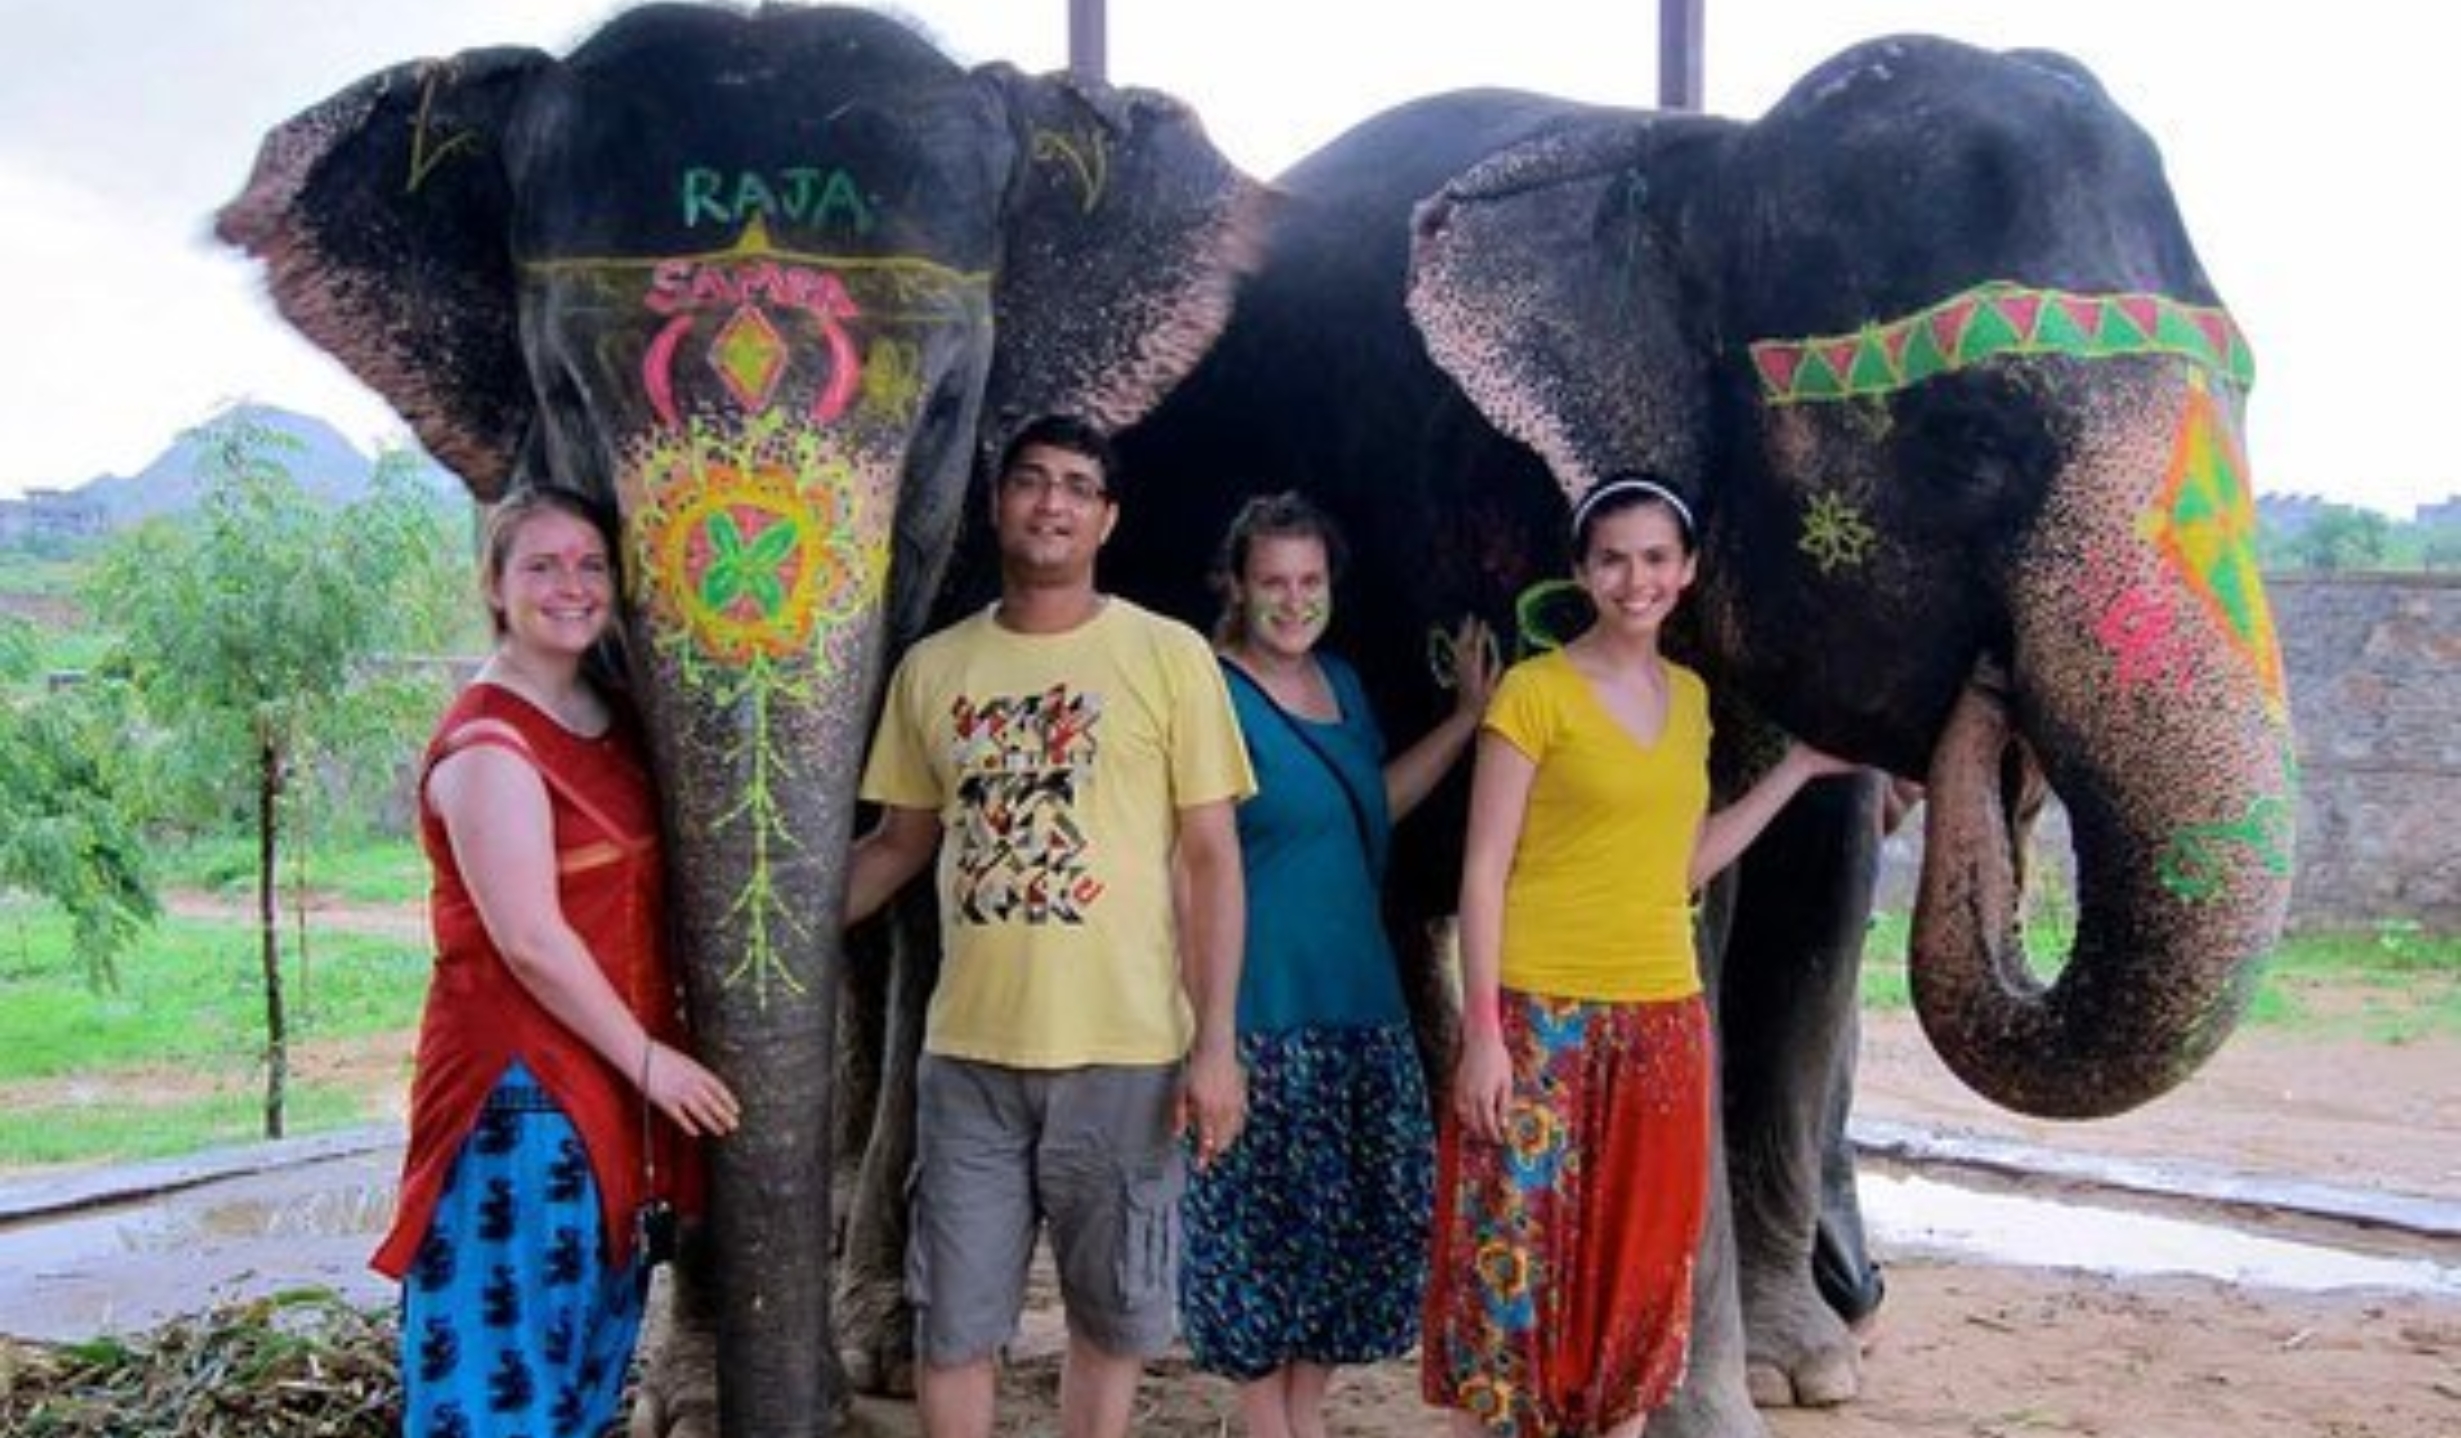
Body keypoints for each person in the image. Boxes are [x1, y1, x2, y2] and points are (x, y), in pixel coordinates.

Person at [844, 414, 1255, 1438]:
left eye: (1076, 486)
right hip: (968, 1060)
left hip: (1127, 1055)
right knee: (953, 1325)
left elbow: (1211, 859)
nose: (1051, 503)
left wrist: (1215, 1045)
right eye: (1031, 481)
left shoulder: (1168, 658)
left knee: (1111, 1323)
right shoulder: (935, 670)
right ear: (998, 504)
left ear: (1106, 518)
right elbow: (898, 843)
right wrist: (759, 938)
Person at [1422, 476, 1853, 1437]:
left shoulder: (1692, 701)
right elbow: (1482, 870)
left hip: (1662, 1017)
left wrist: (1793, 771)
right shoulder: (1534, 694)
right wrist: (1482, 1032)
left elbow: (1685, 863)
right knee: (1517, 1274)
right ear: (1582, 570)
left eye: (1656, 558)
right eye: (1613, 558)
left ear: (1686, 571)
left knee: (1636, 1268)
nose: (1635, 579)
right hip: (1541, 1018)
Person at [376, 486, 741, 1438]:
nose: (570, 586)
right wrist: (652, 1061)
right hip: (521, 1103)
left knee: (583, 1372)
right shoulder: (489, 741)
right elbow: (531, 940)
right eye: (541, 566)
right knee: (502, 1385)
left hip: (610, 1094)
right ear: (495, 588)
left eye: (589, 565)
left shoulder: (611, 715)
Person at [1181, 491, 1500, 1437]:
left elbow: (1366, 803)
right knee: (1254, 1248)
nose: (1291, 600)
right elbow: (1182, 869)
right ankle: (1266, 1420)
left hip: (1362, 1012)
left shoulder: (1345, 686)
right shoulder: (1205, 692)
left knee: (1348, 1241)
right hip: (1256, 1019)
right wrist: (1204, 1035)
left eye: (1309, 581)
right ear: (1236, 584)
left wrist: (1465, 720)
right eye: (1272, 581)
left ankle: (1299, 1418)